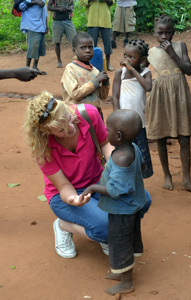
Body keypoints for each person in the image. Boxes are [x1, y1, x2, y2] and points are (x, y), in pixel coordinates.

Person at [24, 91, 114, 259]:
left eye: (69, 119)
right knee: (108, 228)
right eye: (61, 130)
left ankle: (97, 224)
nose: (71, 129)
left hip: (96, 181)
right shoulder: (43, 149)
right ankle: (64, 225)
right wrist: (74, 199)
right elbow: (64, 186)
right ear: (47, 132)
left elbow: (104, 144)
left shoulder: (89, 114)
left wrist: (115, 167)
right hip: (65, 195)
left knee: (138, 201)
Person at [81, 109, 151, 296]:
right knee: (129, 240)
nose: (105, 131)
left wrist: (92, 188)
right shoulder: (132, 148)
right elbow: (142, 166)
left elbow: (115, 191)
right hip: (133, 206)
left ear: (118, 136)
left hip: (122, 211)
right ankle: (121, 274)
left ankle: (126, 282)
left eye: (108, 129)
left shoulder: (120, 158)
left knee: (120, 244)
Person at [146, 15, 191, 194]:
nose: (164, 36)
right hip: (161, 95)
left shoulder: (180, 46)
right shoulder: (150, 52)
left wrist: (172, 53)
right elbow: (139, 66)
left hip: (180, 95)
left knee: (184, 137)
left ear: (173, 33)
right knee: (161, 137)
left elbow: (188, 69)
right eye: (160, 33)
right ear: (154, 33)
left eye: (168, 32)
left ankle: (186, 179)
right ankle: (167, 175)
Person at [113, 38, 153, 179]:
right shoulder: (120, 73)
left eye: (132, 57)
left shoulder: (145, 73)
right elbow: (115, 97)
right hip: (123, 124)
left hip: (139, 124)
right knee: (124, 154)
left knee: (141, 155)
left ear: (142, 59)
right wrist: (117, 117)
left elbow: (148, 87)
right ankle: (124, 182)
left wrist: (133, 70)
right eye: (125, 55)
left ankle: (139, 185)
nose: (127, 59)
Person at [61, 32, 110, 118]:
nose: (87, 50)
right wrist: (95, 81)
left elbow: (102, 96)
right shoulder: (71, 69)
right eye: (83, 47)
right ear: (74, 50)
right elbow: (75, 94)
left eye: (90, 47)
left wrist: (106, 83)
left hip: (95, 115)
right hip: (77, 116)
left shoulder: (95, 71)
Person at [79, 0, 115, 71]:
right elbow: (82, 2)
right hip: (92, 20)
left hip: (105, 19)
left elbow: (112, 2)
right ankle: (90, 63)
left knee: (107, 43)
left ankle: (108, 64)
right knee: (91, 44)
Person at [19, 0, 48, 71]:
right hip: (32, 25)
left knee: (39, 47)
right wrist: (36, 2)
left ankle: (35, 66)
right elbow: (21, 6)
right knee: (33, 46)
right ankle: (27, 68)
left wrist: (46, 25)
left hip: (41, 25)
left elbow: (45, 13)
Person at [47, 0, 76, 68]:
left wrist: (70, 8)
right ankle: (59, 61)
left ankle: (77, 59)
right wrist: (58, 9)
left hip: (68, 20)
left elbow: (72, 5)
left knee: (75, 40)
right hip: (57, 21)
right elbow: (48, 7)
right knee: (57, 42)